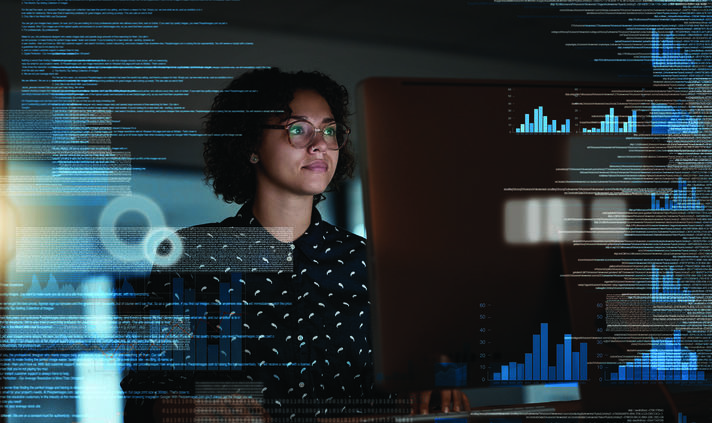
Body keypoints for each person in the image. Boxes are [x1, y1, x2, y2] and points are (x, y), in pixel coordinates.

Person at [120, 68, 465, 422]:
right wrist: (189, 408)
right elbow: (143, 394)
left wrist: (433, 381)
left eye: (329, 131)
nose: (319, 144)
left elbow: (416, 374)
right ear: (251, 144)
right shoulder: (190, 254)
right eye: (297, 129)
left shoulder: (372, 263)